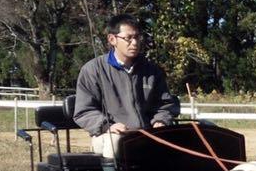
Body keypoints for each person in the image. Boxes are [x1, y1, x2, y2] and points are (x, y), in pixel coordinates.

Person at [73, 13, 180, 158]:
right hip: (108, 134)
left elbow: (165, 104)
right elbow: (84, 111)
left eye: (137, 37)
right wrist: (108, 126)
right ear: (112, 39)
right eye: (128, 38)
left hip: (147, 132)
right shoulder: (93, 70)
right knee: (115, 143)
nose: (135, 42)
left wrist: (161, 120)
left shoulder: (152, 70)